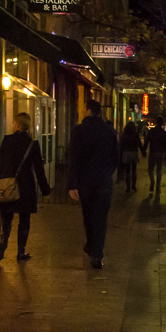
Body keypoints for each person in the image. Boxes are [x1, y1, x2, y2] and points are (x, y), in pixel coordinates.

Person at [68, 99, 119, 268]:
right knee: (101, 218)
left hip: (85, 182)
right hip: (103, 181)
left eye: (84, 109)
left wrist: (73, 184)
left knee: (88, 216)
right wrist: (108, 172)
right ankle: (97, 253)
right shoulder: (109, 131)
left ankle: (91, 245)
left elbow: (73, 158)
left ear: (88, 111)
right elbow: (115, 156)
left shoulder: (79, 131)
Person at [0, 112, 50, 262]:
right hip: (25, 186)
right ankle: (20, 251)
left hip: (8, 184)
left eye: (13, 123)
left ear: (17, 124)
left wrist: (0, 180)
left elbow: (0, 164)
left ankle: (4, 241)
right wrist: (45, 189)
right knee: (24, 219)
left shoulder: (7, 140)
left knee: (6, 216)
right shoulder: (32, 144)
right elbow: (39, 169)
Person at [142, 116, 166, 196]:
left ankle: (152, 182)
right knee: (159, 170)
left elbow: (147, 141)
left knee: (150, 169)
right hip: (161, 153)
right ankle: (158, 186)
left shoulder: (152, 131)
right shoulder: (163, 133)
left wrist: (143, 150)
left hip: (153, 152)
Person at [119, 121, 142, 193]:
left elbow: (121, 145)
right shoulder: (135, 134)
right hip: (134, 152)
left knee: (127, 171)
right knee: (134, 170)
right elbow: (139, 144)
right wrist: (143, 151)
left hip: (126, 153)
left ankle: (128, 187)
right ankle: (133, 186)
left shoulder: (124, 135)